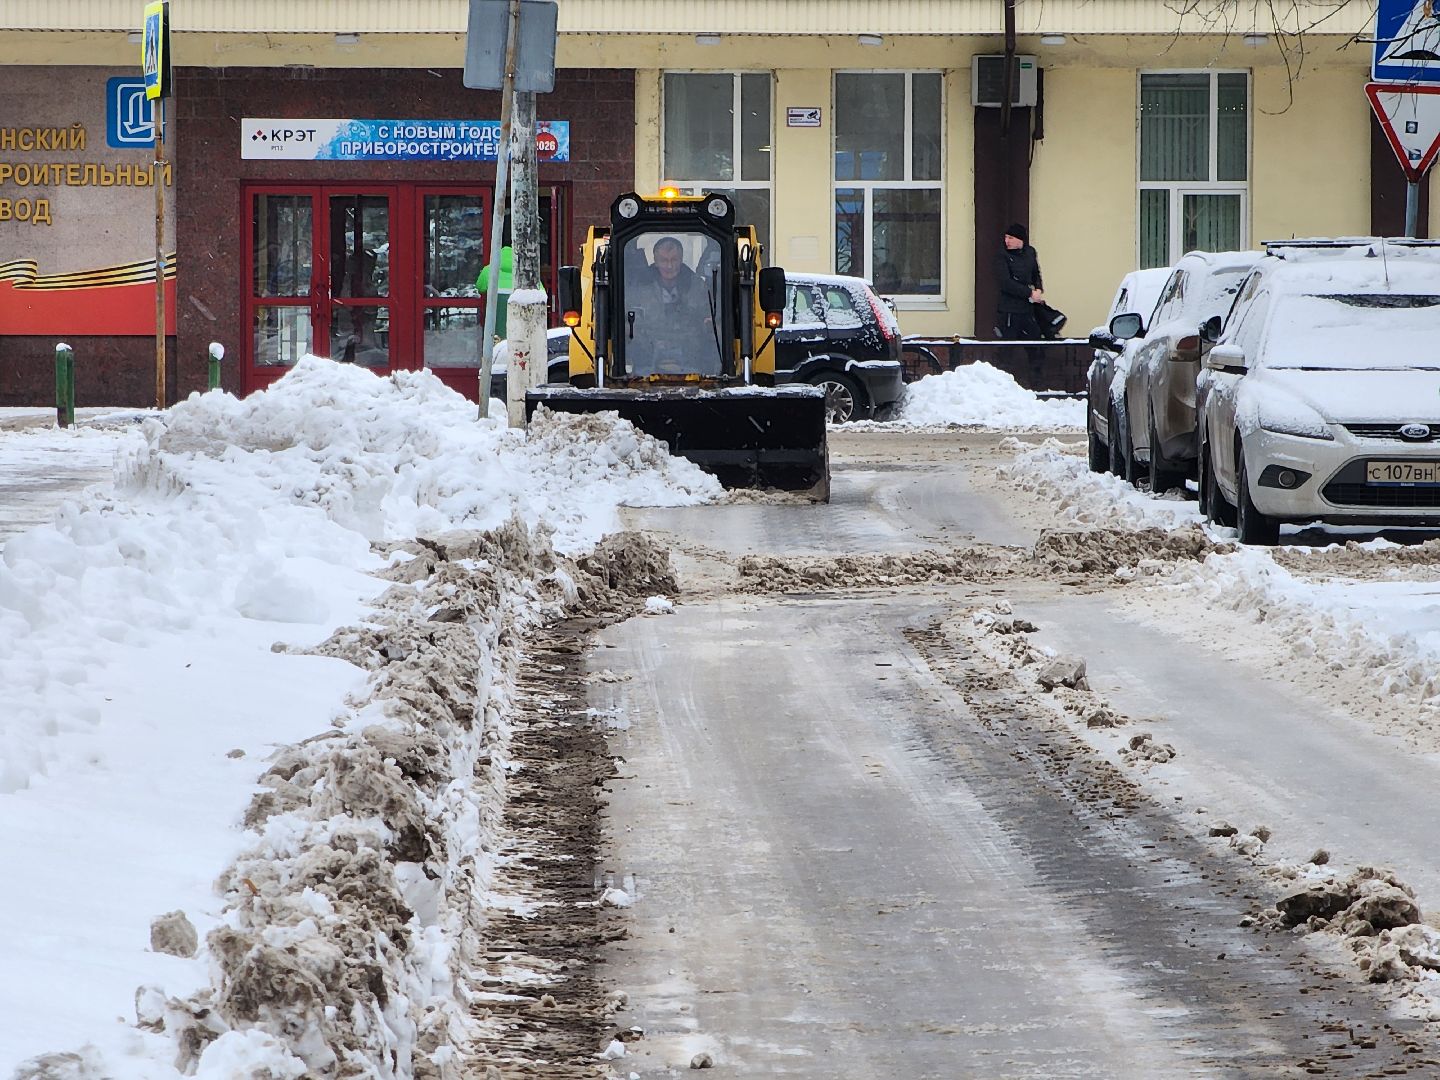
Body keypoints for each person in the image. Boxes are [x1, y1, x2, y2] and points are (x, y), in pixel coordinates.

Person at [626, 235, 718, 374]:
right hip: (646, 360)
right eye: (664, 260)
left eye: (674, 260)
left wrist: (710, 324)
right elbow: (628, 323)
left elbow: (708, 319)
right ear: (656, 262)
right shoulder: (638, 290)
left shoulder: (698, 287)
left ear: (681, 260)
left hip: (692, 361)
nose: (669, 266)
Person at [994, 222, 1046, 385]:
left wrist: (1038, 289)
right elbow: (1005, 282)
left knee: (1035, 345)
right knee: (1007, 350)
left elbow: (1036, 273)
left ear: (1020, 240)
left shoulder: (1030, 253)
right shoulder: (1002, 255)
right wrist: (1029, 293)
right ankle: (1002, 385)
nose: (1007, 241)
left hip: (1029, 309)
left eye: (1010, 238)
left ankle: (1037, 385)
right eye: (1005, 237)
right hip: (1009, 310)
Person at [476, 244, 514, 339]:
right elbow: (541, 292)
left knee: (496, 339)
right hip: (516, 308)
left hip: (496, 309)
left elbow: (480, 288)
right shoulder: (524, 272)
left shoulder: (488, 270)